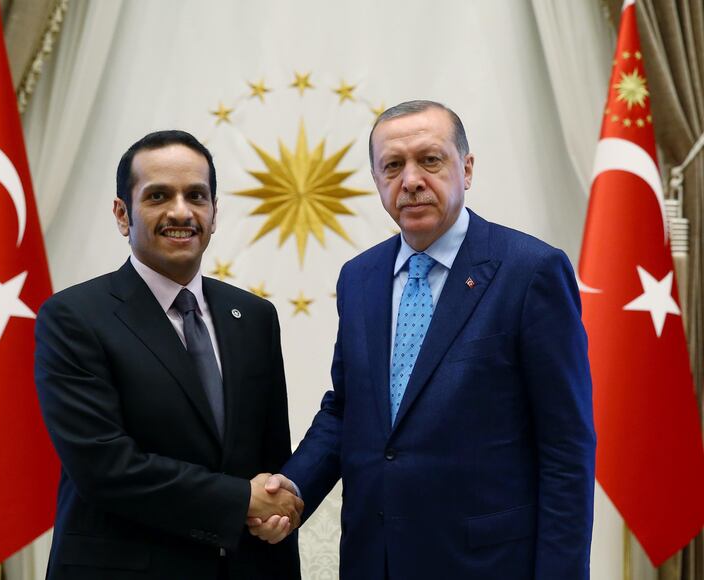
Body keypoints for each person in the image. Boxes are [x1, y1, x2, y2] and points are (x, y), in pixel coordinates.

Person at [249, 101, 596, 579]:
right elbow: (347, 408)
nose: (410, 180)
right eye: (392, 166)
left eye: (430, 160)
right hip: (376, 561)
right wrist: (292, 486)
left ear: (466, 168)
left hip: (486, 564)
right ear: (376, 180)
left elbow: (566, 449)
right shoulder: (359, 278)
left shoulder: (531, 272)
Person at [35, 130, 302, 579]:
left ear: (215, 214)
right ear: (123, 214)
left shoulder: (254, 317)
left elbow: (269, 459)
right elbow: (106, 467)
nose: (181, 211)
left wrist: (279, 512)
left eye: (196, 195)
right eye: (158, 195)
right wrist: (240, 501)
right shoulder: (73, 318)